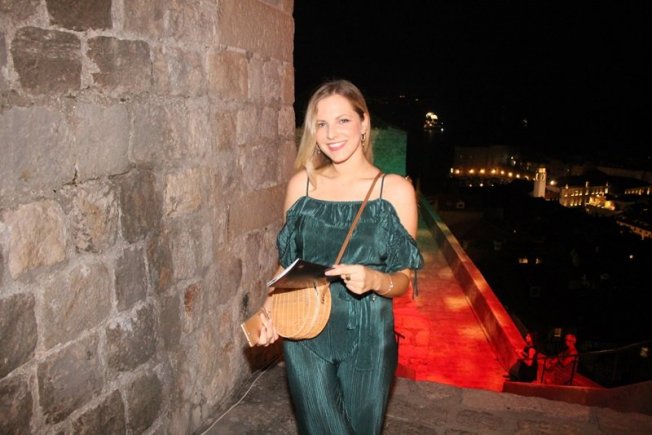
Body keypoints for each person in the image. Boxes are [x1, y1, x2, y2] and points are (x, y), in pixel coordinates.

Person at [255, 79, 424, 434]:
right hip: (305, 330)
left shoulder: (394, 190)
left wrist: (375, 279)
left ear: (364, 124)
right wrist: (269, 311)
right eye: (321, 123)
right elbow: (287, 264)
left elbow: (403, 280)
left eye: (343, 120)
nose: (332, 133)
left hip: (368, 335)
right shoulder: (301, 185)